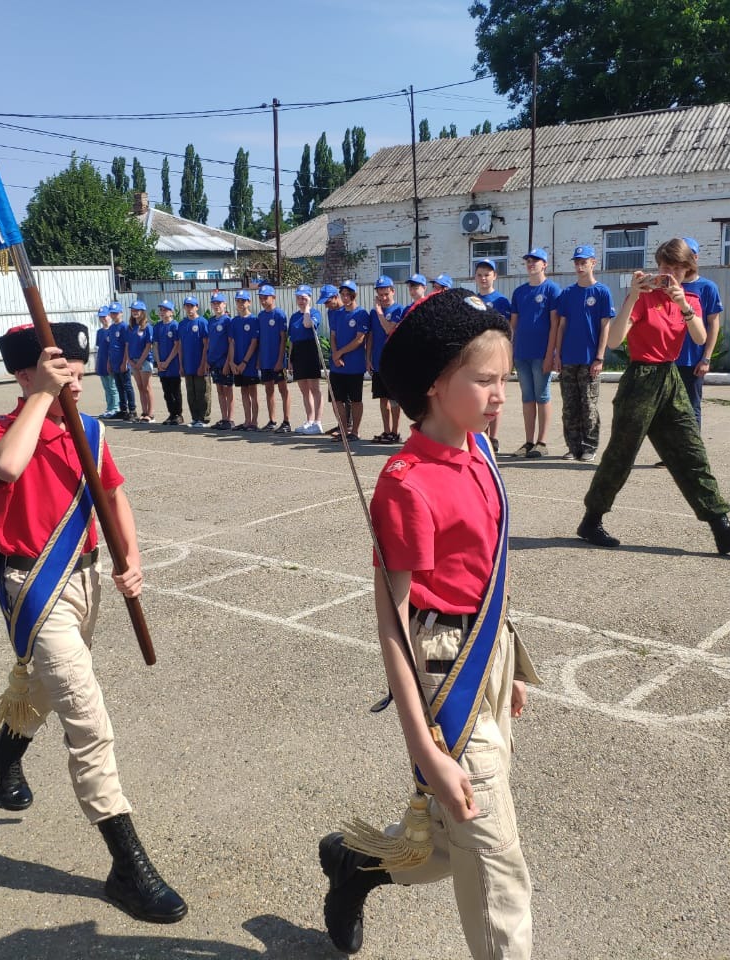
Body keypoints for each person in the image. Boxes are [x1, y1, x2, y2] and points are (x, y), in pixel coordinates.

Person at [318, 288, 536, 959]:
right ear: (438, 385)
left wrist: (507, 662)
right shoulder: (407, 482)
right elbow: (392, 618)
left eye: (506, 378)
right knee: (499, 868)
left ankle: (357, 863)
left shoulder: (479, 450)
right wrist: (425, 747)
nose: (504, 393)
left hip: (484, 658)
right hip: (442, 673)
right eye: (486, 380)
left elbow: (486, 571)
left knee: (445, 847)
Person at [0, 322, 187, 923]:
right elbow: (8, 468)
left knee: (45, 688)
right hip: (35, 586)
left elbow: (114, 495)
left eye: (78, 370)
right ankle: (127, 864)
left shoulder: (89, 429)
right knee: (87, 716)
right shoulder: (0, 430)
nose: (76, 380)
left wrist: (133, 558)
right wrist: (41, 395)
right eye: (62, 370)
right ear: (26, 374)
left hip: (87, 578)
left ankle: (4, 750)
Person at [576, 239, 730, 555]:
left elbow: (700, 337)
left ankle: (722, 529)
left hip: (671, 378)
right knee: (620, 455)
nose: (669, 274)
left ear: (688, 269)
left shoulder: (690, 298)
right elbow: (615, 341)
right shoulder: (643, 298)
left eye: (676, 268)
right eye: (665, 267)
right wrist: (634, 295)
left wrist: (684, 306)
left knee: (692, 452)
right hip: (640, 379)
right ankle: (591, 520)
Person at [552, 245, 614, 461]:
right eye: (577, 262)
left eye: (583, 262)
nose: (580, 266)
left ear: (593, 263)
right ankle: (573, 446)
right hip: (568, 358)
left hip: (590, 360)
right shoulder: (568, 293)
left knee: (588, 406)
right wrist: (557, 355)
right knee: (570, 407)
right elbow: (561, 326)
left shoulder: (602, 292)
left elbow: (605, 326)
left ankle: (589, 447)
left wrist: (599, 357)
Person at [509, 248, 562, 459]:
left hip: (541, 353)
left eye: (536, 261)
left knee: (542, 396)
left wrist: (551, 354)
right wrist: (510, 352)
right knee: (527, 398)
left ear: (545, 264)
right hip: (522, 353)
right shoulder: (520, 292)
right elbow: (513, 325)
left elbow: (554, 325)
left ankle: (542, 442)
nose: (531, 264)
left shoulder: (552, 290)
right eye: (528, 261)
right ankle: (529, 441)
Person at [676, 238, 723, 428]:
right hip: (668, 359)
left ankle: (690, 456)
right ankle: (671, 455)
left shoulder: (707, 287)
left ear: (694, 258)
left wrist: (706, 358)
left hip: (692, 360)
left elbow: (713, 324)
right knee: (668, 410)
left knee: (691, 408)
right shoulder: (669, 285)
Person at [473, 259, 512, 453]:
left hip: (497, 355)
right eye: (480, 275)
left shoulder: (502, 301)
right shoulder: (473, 301)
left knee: (495, 396)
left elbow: (507, 331)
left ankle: (493, 437)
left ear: (494, 276)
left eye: (487, 274)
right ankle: (479, 434)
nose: (483, 278)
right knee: (480, 395)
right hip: (478, 355)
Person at [327, 280, 369, 442]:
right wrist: (336, 355)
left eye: (348, 294)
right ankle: (343, 430)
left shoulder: (361, 314)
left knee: (356, 400)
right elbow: (333, 335)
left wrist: (340, 354)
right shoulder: (336, 314)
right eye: (342, 294)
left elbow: (360, 340)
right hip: (337, 367)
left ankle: (355, 432)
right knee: (337, 400)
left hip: (354, 365)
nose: (345, 297)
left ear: (354, 295)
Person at [366, 276, 404, 444]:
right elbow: (371, 336)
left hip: (393, 362)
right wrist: (368, 358)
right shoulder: (373, 313)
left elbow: (389, 329)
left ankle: (395, 432)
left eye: (386, 294)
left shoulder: (398, 310)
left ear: (392, 291)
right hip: (378, 361)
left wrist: (380, 311)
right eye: (380, 294)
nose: (383, 298)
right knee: (382, 398)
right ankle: (386, 431)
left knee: (394, 399)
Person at [288, 284, 326, 435]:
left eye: (303, 298)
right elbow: (291, 339)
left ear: (309, 298)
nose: (301, 301)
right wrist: (290, 359)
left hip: (310, 351)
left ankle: (317, 422)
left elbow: (307, 324)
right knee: (304, 390)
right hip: (298, 352)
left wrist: (308, 308)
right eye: (298, 298)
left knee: (314, 388)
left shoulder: (314, 313)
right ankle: (309, 420)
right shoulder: (293, 316)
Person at [255, 284, 292, 434]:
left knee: (283, 390)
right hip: (265, 360)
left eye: (266, 298)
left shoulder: (279, 315)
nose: (263, 301)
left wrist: (280, 360)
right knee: (269, 389)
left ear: (273, 298)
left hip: (277, 360)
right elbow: (260, 339)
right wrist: (259, 358)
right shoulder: (261, 316)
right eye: (261, 298)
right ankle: (272, 420)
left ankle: (287, 421)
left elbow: (283, 339)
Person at [228, 290, 261, 431]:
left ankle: (254, 422)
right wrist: (232, 362)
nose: (240, 304)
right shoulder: (234, 321)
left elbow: (254, 343)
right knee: (243, 392)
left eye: (243, 301)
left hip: (250, 363)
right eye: (238, 301)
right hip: (237, 363)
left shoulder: (254, 320)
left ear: (249, 302)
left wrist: (244, 362)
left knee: (253, 392)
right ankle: (247, 420)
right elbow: (232, 342)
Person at [178, 296, 212, 427]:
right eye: (187, 306)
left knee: (202, 392)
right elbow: (180, 346)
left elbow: (206, 345)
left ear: (197, 307)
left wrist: (203, 364)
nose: (189, 308)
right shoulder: (182, 324)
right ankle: (195, 417)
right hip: (188, 363)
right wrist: (181, 365)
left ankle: (204, 418)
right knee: (191, 392)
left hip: (200, 364)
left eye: (192, 306)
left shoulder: (202, 322)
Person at [206, 293, 235, 430]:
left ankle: (230, 419)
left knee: (228, 390)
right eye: (214, 303)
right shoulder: (211, 321)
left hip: (224, 362)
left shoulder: (227, 321)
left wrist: (228, 362)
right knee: (219, 390)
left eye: (219, 303)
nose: (216, 305)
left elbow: (231, 343)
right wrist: (208, 359)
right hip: (214, 361)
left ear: (224, 304)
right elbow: (209, 342)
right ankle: (224, 418)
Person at [153, 300, 185, 426]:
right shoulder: (157, 326)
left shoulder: (175, 326)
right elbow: (155, 345)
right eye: (161, 309)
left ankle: (178, 414)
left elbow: (177, 346)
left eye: (165, 310)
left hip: (173, 364)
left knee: (175, 390)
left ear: (171, 312)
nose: (162, 312)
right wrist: (159, 361)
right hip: (162, 365)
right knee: (166, 392)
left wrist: (167, 361)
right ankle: (171, 414)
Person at [124, 302, 155, 422]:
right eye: (133, 310)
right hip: (133, 361)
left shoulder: (147, 327)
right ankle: (144, 412)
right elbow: (127, 345)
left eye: (137, 310)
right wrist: (130, 361)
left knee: (147, 387)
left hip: (145, 361)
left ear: (143, 312)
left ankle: (151, 414)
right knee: (140, 387)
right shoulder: (130, 327)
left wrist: (140, 361)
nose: (135, 312)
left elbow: (148, 346)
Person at [107, 303, 135, 422]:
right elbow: (111, 346)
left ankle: (132, 410)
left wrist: (125, 362)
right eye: (112, 313)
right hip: (114, 361)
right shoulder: (112, 328)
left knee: (127, 386)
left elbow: (127, 346)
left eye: (116, 313)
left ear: (121, 313)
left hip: (122, 362)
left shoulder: (124, 327)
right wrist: (109, 362)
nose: (114, 315)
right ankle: (123, 410)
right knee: (119, 387)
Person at [94, 306, 120, 418]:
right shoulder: (100, 332)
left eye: (105, 316)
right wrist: (97, 363)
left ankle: (116, 407)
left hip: (111, 363)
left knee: (113, 386)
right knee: (106, 388)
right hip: (102, 363)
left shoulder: (112, 330)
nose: (103, 319)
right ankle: (109, 407)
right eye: (101, 317)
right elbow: (98, 348)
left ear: (109, 316)